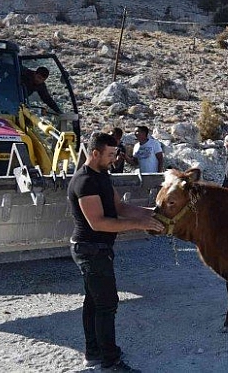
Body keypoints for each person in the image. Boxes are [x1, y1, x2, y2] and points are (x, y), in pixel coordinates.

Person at [68, 132, 163, 372]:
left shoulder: (102, 175)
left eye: (115, 153)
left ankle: (93, 353)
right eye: (110, 155)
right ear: (95, 153)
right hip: (90, 249)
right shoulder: (85, 181)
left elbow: (120, 207)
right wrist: (140, 225)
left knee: (94, 303)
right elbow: (98, 223)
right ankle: (111, 360)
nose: (114, 159)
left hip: (99, 249)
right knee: (107, 304)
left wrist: (152, 213)